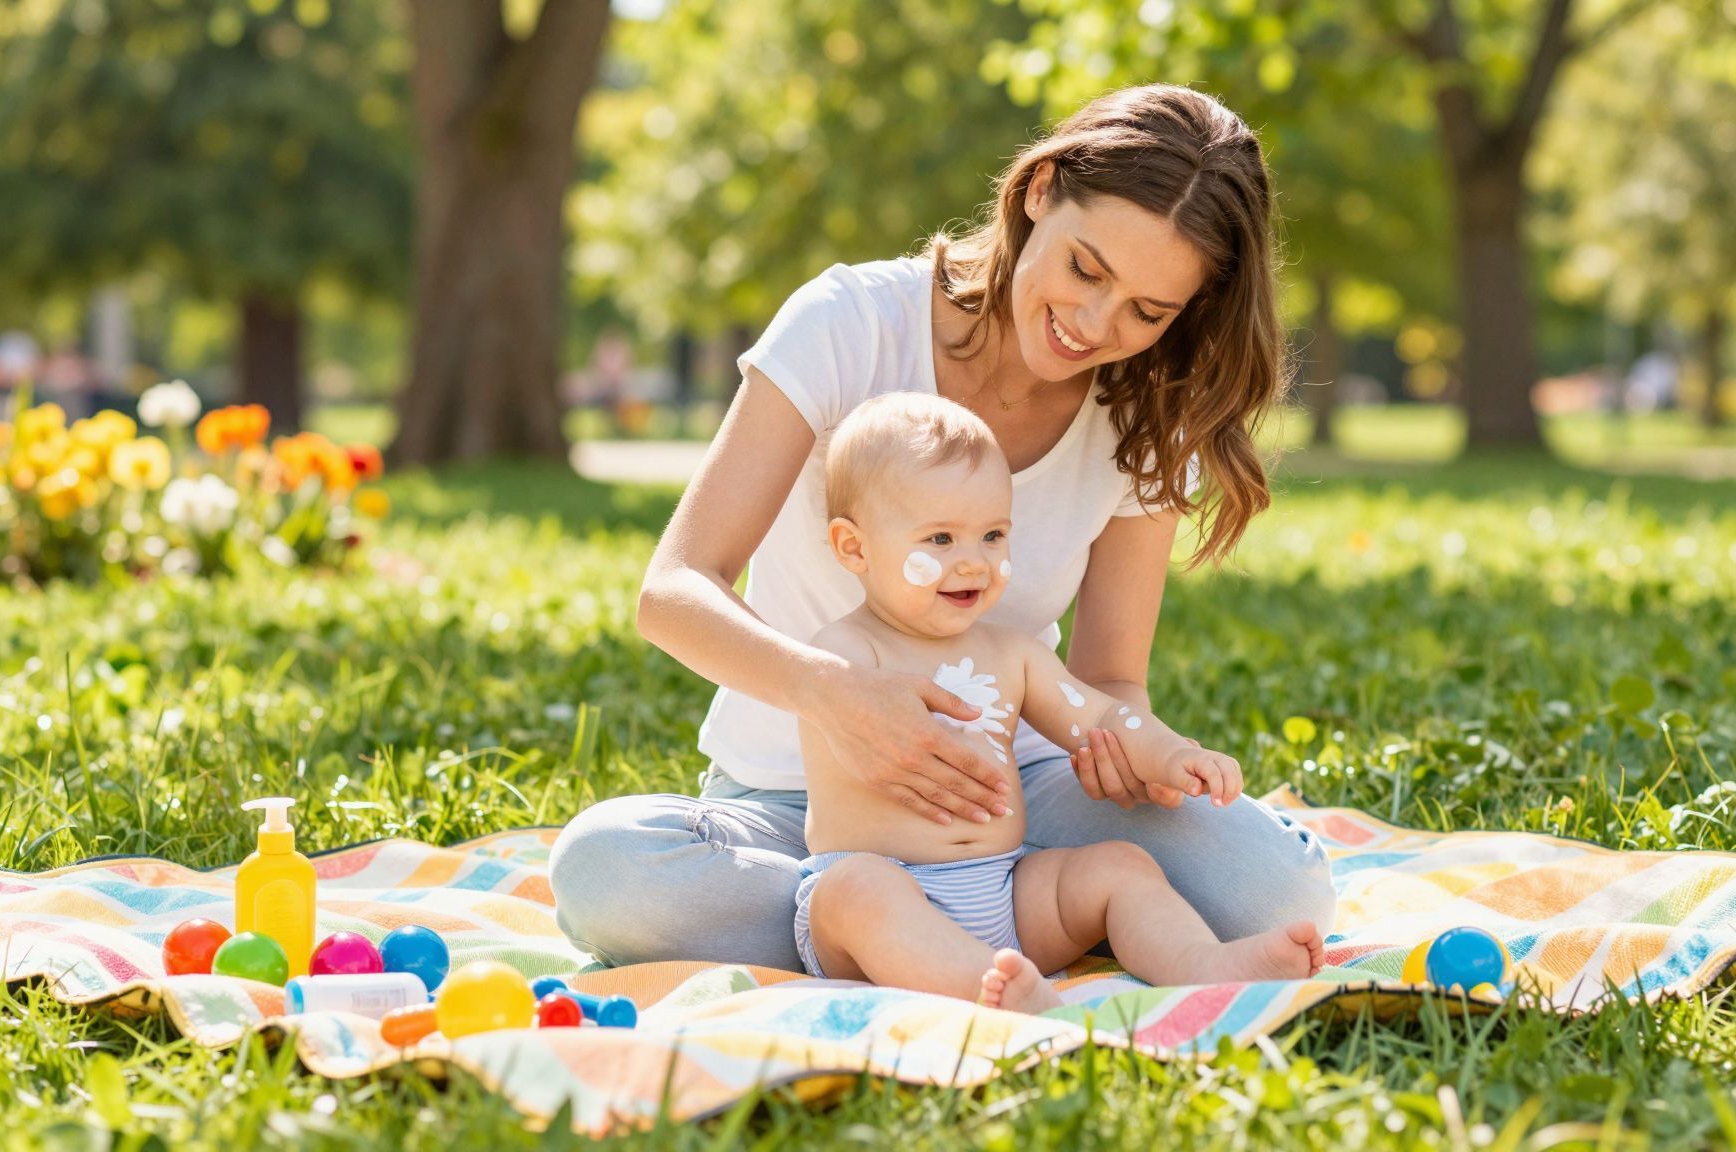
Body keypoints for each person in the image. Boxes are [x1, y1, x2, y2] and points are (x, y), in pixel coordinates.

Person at [550, 84, 1335, 971]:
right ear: (1040, 191)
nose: (1094, 324)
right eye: (1085, 269)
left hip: (1016, 796)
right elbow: (675, 588)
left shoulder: (1140, 412)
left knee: (1280, 893)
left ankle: (947, 930)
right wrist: (834, 697)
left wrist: (1129, 751)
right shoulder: (851, 323)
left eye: (1147, 312)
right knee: (605, 873)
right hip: (798, 807)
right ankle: (905, 924)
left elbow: (1111, 676)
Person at [794, 393, 1324, 1011]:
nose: (975, 561)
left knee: (1119, 867)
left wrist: (1169, 752)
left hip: (1004, 891)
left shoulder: (1010, 653)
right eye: (939, 538)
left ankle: (1207, 965)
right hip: (876, 909)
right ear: (854, 548)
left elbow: (1098, 717)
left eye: (993, 535)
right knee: (858, 890)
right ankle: (986, 991)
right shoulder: (843, 657)